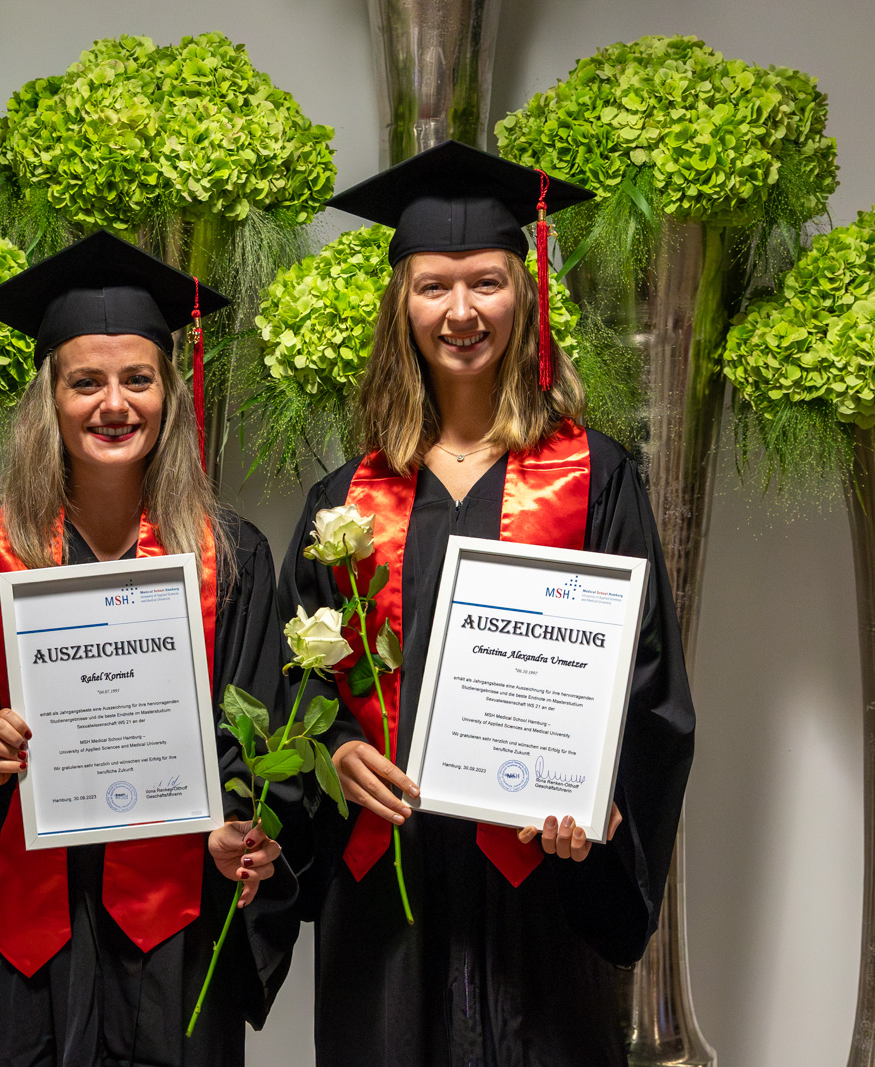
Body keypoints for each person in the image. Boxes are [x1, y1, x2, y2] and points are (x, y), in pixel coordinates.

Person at [281, 141, 695, 1067]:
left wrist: (596, 802)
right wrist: (337, 747)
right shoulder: (345, 499)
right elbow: (293, 679)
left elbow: (649, 686)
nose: (461, 311)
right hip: (389, 893)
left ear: (524, 295)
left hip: (537, 885)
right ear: (402, 305)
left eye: (486, 283)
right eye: (434, 286)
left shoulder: (594, 479)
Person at [0, 231, 299, 1066]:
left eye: (138, 380)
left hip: (171, 917)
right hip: (33, 920)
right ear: (49, 399)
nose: (113, 404)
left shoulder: (232, 557)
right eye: (85, 381)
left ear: (170, 395)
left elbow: (257, 729)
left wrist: (240, 824)